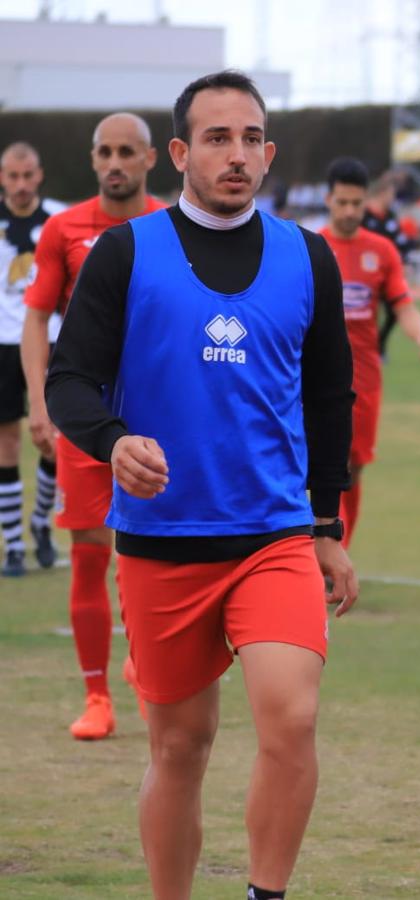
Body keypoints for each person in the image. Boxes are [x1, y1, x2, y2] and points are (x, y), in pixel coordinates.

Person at [44, 70, 357, 900]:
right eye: (217, 138)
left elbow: (332, 398)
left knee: (291, 720)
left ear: (269, 152)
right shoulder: (125, 252)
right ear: (179, 152)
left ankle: (266, 894)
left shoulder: (307, 255)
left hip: (274, 537)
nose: (237, 154)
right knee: (180, 748)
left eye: (251, 138)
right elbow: (69, 381)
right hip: (162, 544)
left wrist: (326, 526)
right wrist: (113, 443)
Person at [21, 114, 165, 738]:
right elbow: (35, 320)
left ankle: (147, 670)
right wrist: (40, 401)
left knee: (156, 552)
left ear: (152, 159)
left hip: (159, 418)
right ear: (92, 158)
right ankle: (97, 698)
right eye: (105, 151)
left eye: (127, 151)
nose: (115, 162)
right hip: (88, 419)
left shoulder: (172, 226)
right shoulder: (63, 228)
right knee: (88, 555)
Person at [320, 157, 420, 549]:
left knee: (352, 468)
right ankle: (309, 550)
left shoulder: (381, 251)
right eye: (342, 203)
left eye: (357, 203)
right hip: (311, 377)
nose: (350, 211)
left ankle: (339, 552)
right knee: (313, 464)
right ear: (328, 200)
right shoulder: (311, 246)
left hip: (363, 376)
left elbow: (402, 302)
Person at [1, 141, 64, 576]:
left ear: (39, 176)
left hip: (52, 340)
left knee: (54, 440)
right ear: (3, 178)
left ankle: (41, 523)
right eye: (12, 177)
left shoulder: (59, 219)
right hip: (3, 343)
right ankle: (14, 546)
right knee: (6, 445)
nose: (21, 186)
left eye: (28, 176)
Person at [362, 171, 414, 359]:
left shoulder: (391, 216)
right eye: (391, 194)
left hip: (388, 273)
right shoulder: (364, 216)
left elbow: (400, 241)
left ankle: (380, 344)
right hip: (366, 274)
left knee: (394, 312)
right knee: (365, 314)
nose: (393, 198)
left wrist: (405, 261)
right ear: (382, 193)